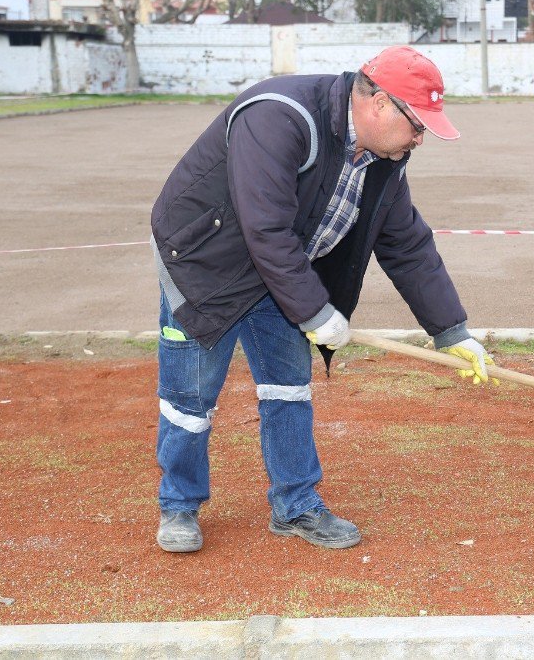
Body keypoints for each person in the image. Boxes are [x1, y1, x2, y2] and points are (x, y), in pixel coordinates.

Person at [149, 46, 495, 553]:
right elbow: (264, 228)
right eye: (417, 125)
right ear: (379, 103)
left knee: (289, 388)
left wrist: (451, 331)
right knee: (190, 398)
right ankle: (178, 505)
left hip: (284, 274)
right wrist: (314, 311)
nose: (420, 138)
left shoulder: (384, 159)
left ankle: (296, 504)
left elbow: (408, 247)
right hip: (206, 266)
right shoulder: (279, 115)